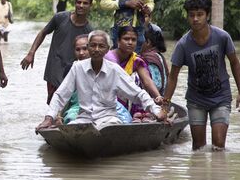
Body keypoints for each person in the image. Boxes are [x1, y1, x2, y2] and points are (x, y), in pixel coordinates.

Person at [160, 0, 240, 151]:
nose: (195, 19)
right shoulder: (183, 44)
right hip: (196, 99)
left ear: (207, 15)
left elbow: (235, 63)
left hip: (221, 96)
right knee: (198, 148)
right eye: (191, 15)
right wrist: (165, 105)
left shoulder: (222, 37)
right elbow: (173, 77)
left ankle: (217, 174)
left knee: (218, 145)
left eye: (199, 15)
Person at [36, 31, 167, 131]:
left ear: (107, 49)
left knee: (112, 129)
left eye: (101, 46)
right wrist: (49, 118)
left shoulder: (114, 70)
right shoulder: (77, 67)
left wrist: (156, 111)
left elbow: (137, 93)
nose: (96, 49)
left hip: (108, 119)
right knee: (72, 127)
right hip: (84, 118)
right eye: (93, 45)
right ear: (88, 47)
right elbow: (61, 94)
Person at [21, 0, 95, 104]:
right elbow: (43, 32)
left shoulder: (90, 31)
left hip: (73, 72)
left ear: (90, 6)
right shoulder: (60, 18)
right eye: (78, 2)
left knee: (69, 105)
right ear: (75, 3)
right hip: (54, 69)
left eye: (85, 3)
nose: (81, 5)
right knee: (54, 104)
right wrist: (31, 53)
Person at [104, 26, 163, 116]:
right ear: (118, 41)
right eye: (126, 39)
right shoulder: (109, 57)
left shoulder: (136, 59)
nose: (130, 43)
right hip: (109, 97)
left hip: (130, 95)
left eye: (133, 40)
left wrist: (158, 96)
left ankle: (136, 111)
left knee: (136, 77)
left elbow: (147, 80)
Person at [61, 34, 89, 124]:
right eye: (78, 49)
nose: (81, 53)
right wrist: (58, 116)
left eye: (85, 49)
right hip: (77, 108)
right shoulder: (71, 68)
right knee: (71, 118)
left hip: (102, 107)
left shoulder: (105, 66)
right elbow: (64, 94)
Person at [140, 24, 169, 96]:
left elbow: (156, 84)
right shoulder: (158, 55)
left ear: (148, 42)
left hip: (153, 99)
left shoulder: (148, 58)